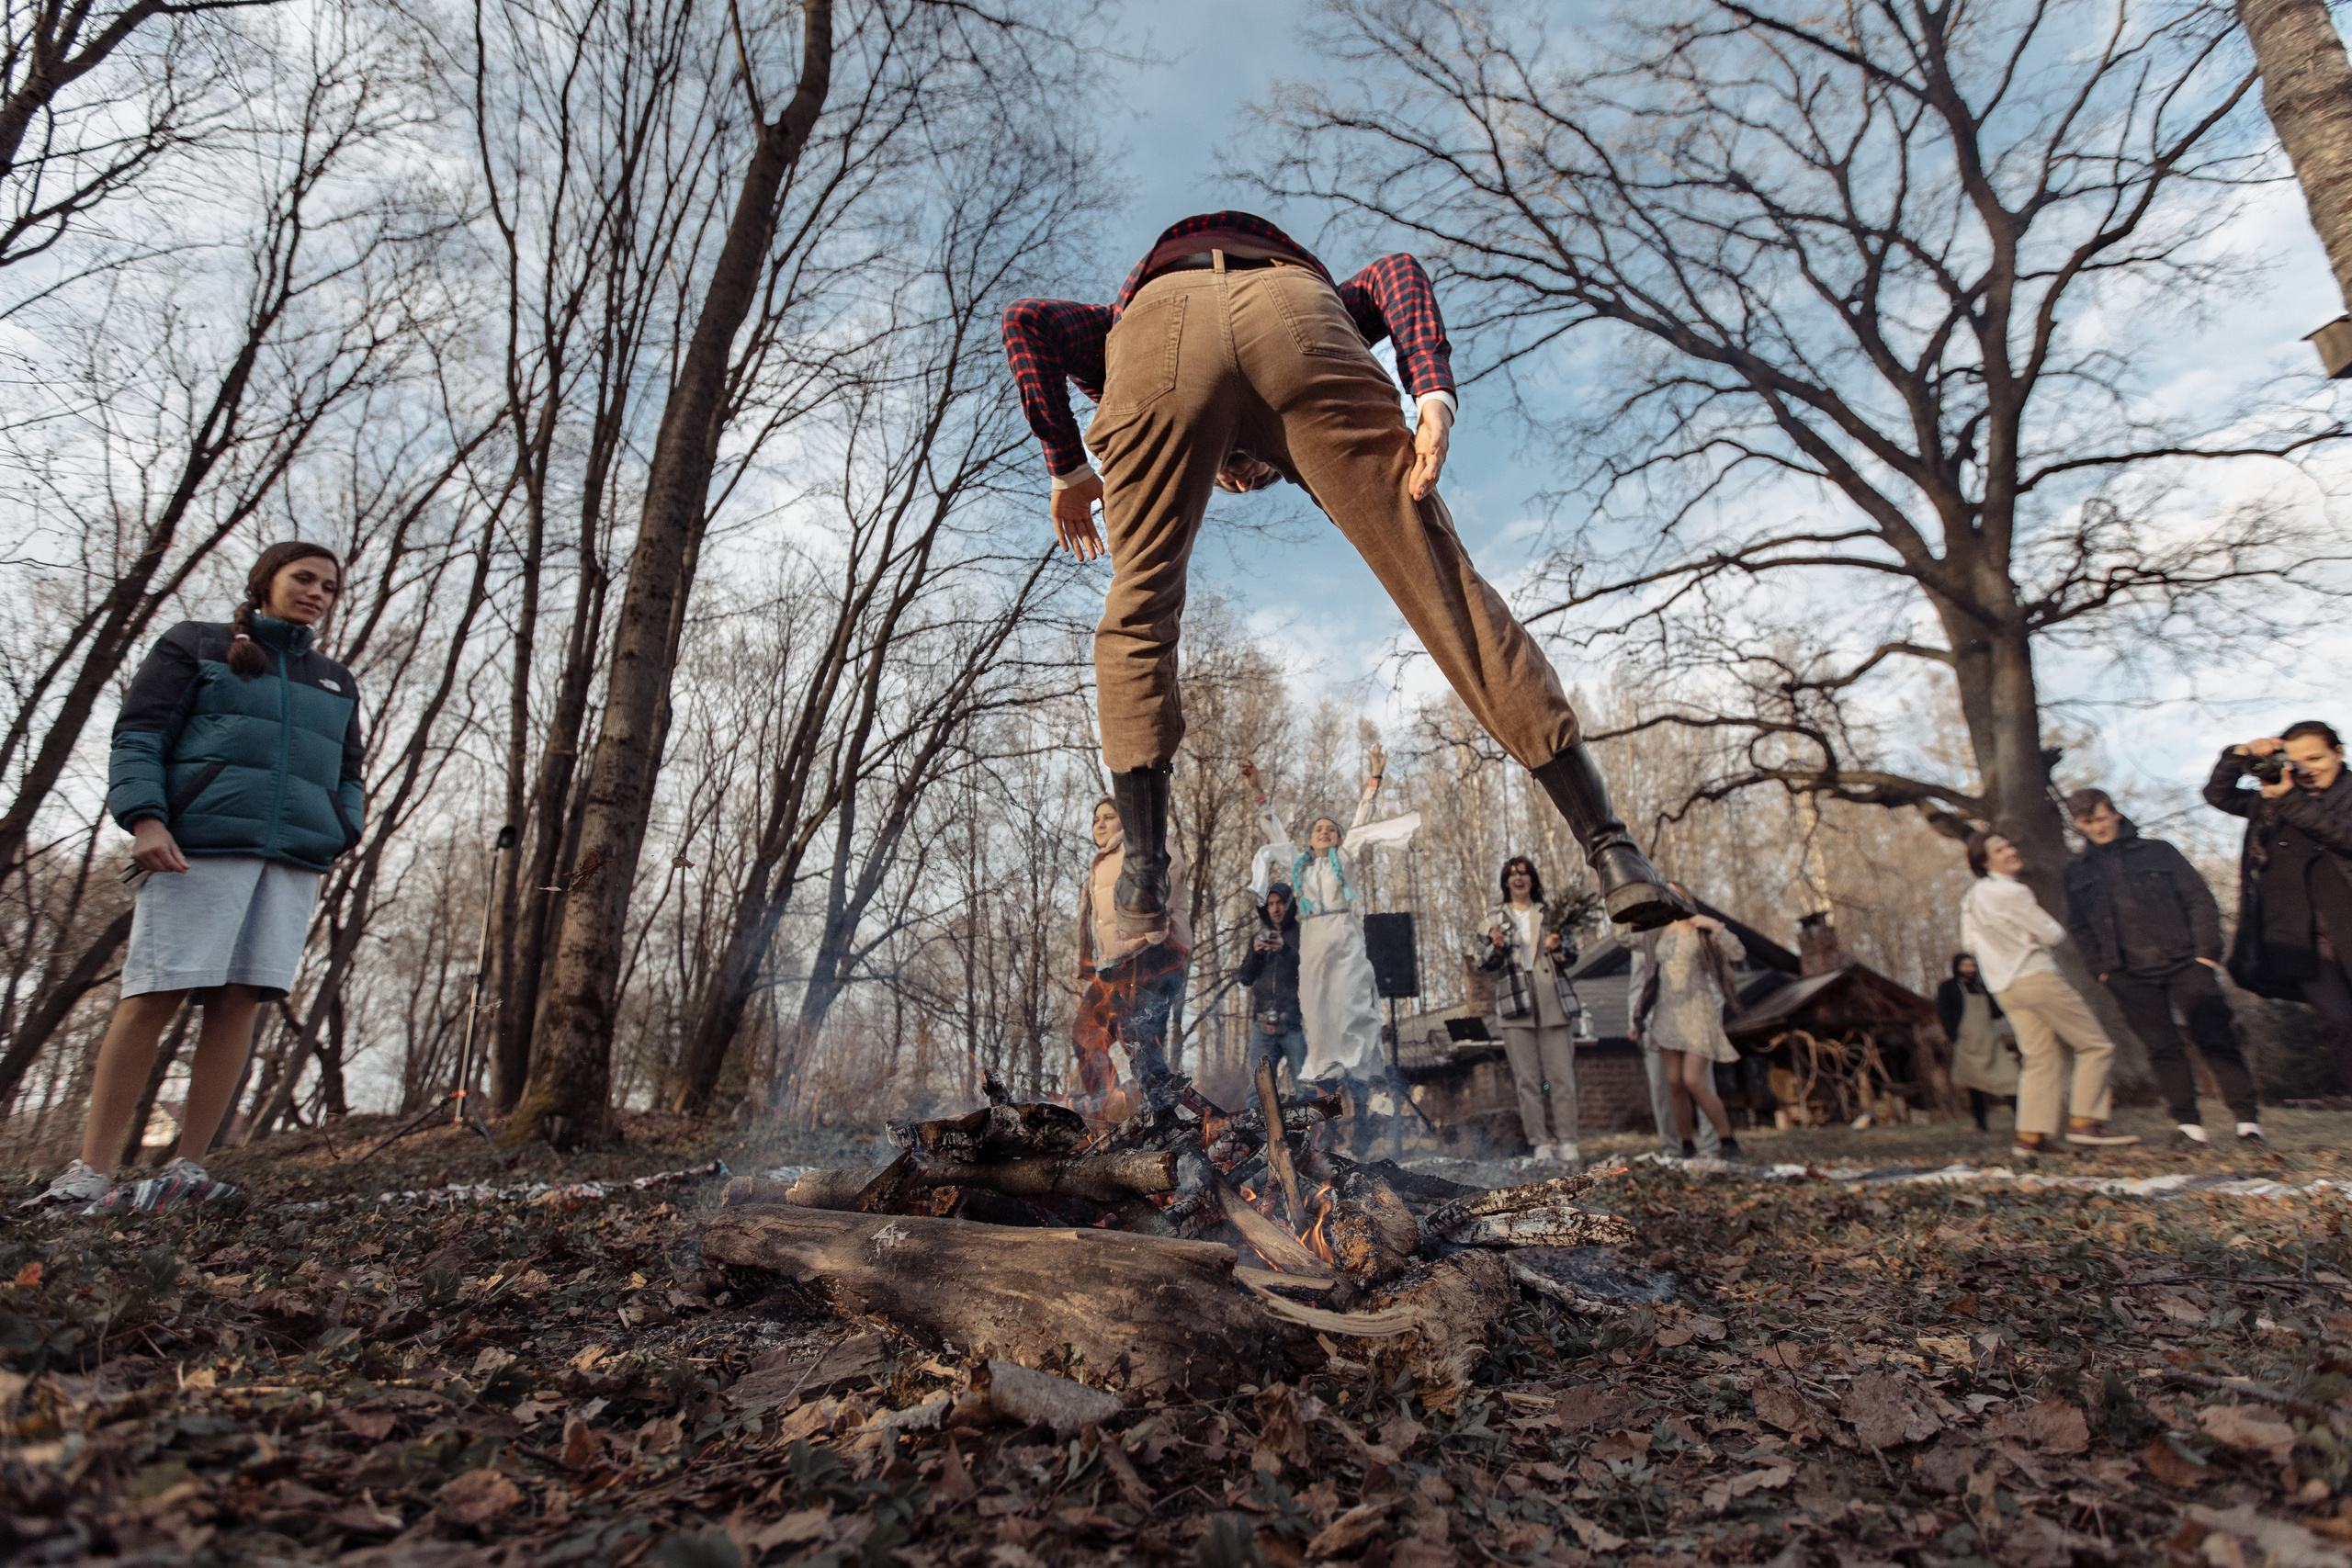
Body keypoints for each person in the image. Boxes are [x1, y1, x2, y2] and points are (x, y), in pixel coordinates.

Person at [1003, 212, 1683, 956]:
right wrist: (1431, 392)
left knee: (1138, 608)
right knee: (1443, 587)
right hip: (1298, 312)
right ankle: (1611, 846)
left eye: (1242, 469)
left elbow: (1025, 321)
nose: (1238, 464)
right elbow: (1396, 272)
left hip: (1155, 333)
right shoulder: (1288, 286)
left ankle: (1141, 874)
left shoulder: (1106, 330)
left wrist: (1068, 466)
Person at [27, 542, 362, 1208]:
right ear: (266, 580)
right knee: (156, 992)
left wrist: (339, 827)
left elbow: (349, 771)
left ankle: (188, 1168)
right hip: (197, 845)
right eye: (304, 578)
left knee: (240, 1000)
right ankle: (91, 1170)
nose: (317, 593)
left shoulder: (335, 679)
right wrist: (146, 817)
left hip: (294, 858)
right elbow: (140, 733)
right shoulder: (196, 645)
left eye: (329, 586)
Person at [2062, 788, 2263, 1151]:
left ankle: (2248, 1124)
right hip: (2127, 974)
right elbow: (2079, 927)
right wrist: (2103, 970)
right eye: (2088, 822)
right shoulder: (2076, 872)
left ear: (2116, 814)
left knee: (2216, 1039)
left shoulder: (2158, 851)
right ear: (2078, 824)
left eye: (2103, 817)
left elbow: (2199, 898)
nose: (2098, 827)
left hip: (2185, 962)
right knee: (2162, 1048)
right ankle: (2189, 1128)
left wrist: (2206, 955)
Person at [1958, 829, 2139, 1158]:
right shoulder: (2013, 892)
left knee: (2039, 1057)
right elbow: (2053, 933)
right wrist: (2026, 937)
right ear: (1985, 861)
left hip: (2003, 986)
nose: (2011, 850)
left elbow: (1969, 943)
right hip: (2035, 976)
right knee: (2095, 1045)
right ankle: (2084, 1121)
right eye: (2001, 849)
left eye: (2009, 844)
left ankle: (2029, 1137)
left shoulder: (1972, 897)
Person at [1242, 750, 1419, 1083]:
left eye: (1331, 829)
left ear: (1338, 839)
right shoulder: (1299, 866)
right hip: (1313, 937)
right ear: (1308, 839)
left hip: (1343, 932)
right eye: (1318, 829)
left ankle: (1363, 1064)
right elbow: (1275, 834)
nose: (1325, 832)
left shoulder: (1346, 858)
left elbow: (1362, 821)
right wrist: (1258, 790)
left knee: (1351, 999)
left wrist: (1374, 779)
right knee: (1316, 1004)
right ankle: (1327, 1066)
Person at [2206, 724, 2352, 1098]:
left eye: (2315, 757)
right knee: (2339, 1022)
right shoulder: (2271, 800)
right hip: (2303, 940)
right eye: (2295, 760)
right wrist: (2239, 753)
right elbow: (2218, 795)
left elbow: (2343, 838)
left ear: (2339, 752)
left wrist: (2289, 800)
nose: (2306, 768)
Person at [1072, 795, 1193, 1112]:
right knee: (1086, 1034)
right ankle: (1107, 1109)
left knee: (1141, 1042)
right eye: (1096, 819)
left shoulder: (1141, 847)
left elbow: (1174, 872)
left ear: (1125, 821)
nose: (1100, 823)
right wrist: (1089, 962)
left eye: (1109, 817)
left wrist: (1155, 922)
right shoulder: (1101, 863)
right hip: (1114, 967)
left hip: (1151, 958)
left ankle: (1167, 1120)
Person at [1476, 855, 1582, 1166]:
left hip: (1552, 1000)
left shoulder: (1551, 914)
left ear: (1533, 880)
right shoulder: (1493, 917)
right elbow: (1483, 962)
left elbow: (1572, 955)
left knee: (1562, 1077)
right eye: (1512, 874)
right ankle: (1540, 1144)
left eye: (1524, 873)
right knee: (1527, 1081)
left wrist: (1557, 947)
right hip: (1514, 1002)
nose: (1519, 879)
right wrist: (1495, 946)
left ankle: (1569, 1141)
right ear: (1505, 882)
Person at [1625, 888, 1746, 1159]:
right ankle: (1686, 1144)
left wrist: (1715, 926)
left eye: (1674, 893)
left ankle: (1727, 1139)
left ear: (1685, 898)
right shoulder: (1657, 930)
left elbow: (1737, 953)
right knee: (1675, 1082)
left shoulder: (1699, 928)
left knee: (1694, 1079)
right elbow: (1627, 942)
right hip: (1667, 1011)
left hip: (1697, 1010)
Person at [1934, 953, 2019, 1134]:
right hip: (1968, 1043)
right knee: (1975, 1085)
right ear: (1957, 967)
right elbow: (1944, 1013)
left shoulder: (1982, 987)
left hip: (1990, 1041)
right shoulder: (1948, 988)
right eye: (1966, 965)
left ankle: (2021, 1121)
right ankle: (1981, 1123)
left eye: (1972, 965)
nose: (1970, 969)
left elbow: (1996, 1013)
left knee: (2010, 1079)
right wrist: (1954, 1037)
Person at [1237, 880, 1306, 1087]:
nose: (1275, 908)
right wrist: (1256, 954)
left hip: (1296, 1022)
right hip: (1263, 1023)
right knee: (1259, 1090)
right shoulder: (1259, 937)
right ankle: (1259, 1121)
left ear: (1289, 904)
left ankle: (1311, 1121)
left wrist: (1285, 950)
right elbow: (1245, 978)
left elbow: (1313, 973)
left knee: (1305, 1087)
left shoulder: (1304, 934)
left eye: (1280, 903)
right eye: (1271, 904)